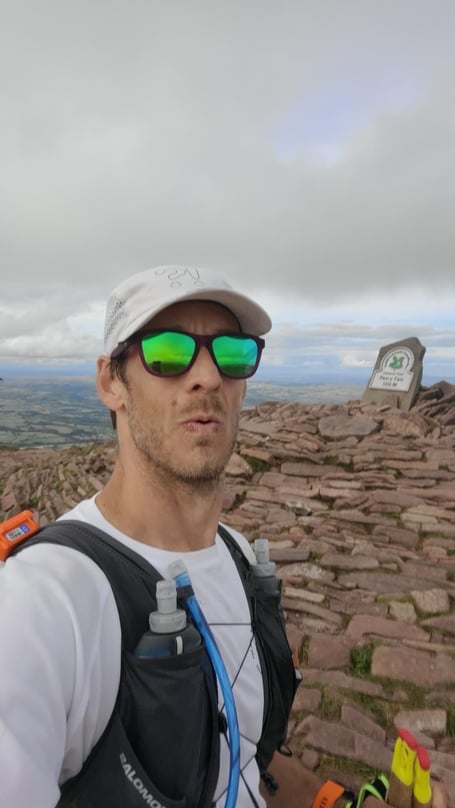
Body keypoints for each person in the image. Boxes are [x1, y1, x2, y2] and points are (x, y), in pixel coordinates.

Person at [0, 265, 448, 808]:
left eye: (233, 353)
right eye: (168, 351)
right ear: (110, 382)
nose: (208, 376)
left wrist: (339, 801)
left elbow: (242, 756)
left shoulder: (237, 557)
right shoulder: (43, 602)